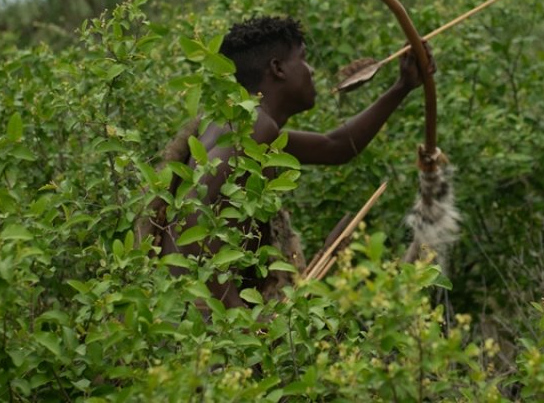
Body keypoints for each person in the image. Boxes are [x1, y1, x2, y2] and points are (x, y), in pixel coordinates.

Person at [138, 16, 433, 308]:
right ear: (277, 68)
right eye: (303, 59)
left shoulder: (243, 123)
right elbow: (193, 207)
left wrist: (402, 86)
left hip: (180, 306)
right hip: (196, 317)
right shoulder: (254, 125)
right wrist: (231, 307)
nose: (311, 69)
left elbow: (336, 147)